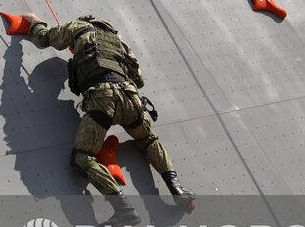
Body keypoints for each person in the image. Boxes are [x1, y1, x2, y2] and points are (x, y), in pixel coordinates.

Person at [19, 14, 194, 212]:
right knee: (148, 140)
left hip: (103, 100)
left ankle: (122, 207)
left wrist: (34, 23)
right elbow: (139, 79)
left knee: (82, 158)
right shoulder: (119, 42)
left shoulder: (78, 27)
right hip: (131, 98)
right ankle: (177, 188)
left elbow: (43, 39)